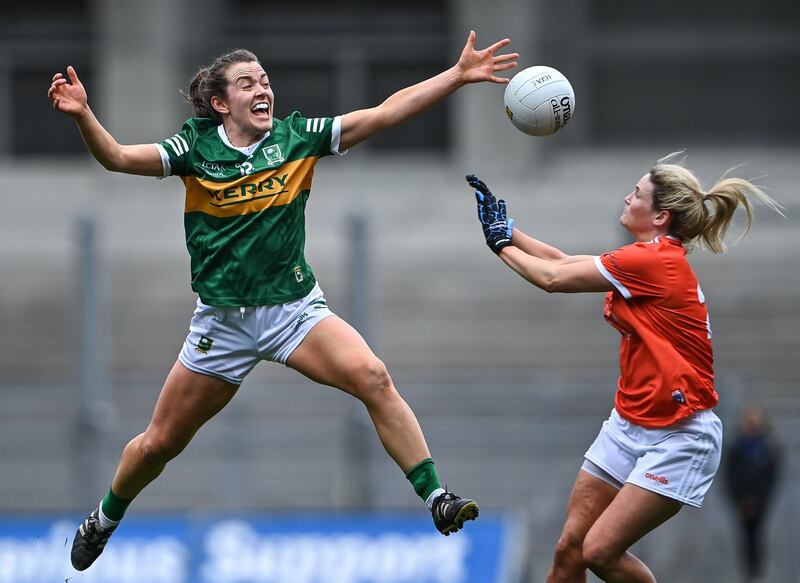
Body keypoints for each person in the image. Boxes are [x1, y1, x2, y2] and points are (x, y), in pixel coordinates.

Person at [48, 31, 518, 571]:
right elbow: (116, 158)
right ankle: (104, 519)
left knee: (374, 377)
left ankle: (435, 496)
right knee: (158, 446)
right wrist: (84, 115)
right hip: (221, 325)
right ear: (221, 103)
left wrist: (456, 76)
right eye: (247, 84)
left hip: (293, 310)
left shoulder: (297, 138)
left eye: (265, 80)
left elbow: (384, 113)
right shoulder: (194, 148)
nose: (262, 90)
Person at [464, 158, 783, 583]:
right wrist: (507, 228)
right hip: (631, 422)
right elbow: (563, 261)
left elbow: (552, 278)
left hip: (680, 434)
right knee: (568, 551)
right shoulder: (643, 258)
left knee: (598, 550)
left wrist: (500, 245)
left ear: (660, 216)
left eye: (636, 193)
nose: (627, 198)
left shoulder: (654, 262)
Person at [724, 404, 781, 583]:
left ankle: (757, 573)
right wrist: (740, 499)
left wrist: (759, 500)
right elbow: (730, 476)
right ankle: (748, 573)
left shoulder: (768, 448)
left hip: (760, 502)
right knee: (745, 537)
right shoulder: (737, 448)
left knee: (758, 536)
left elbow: (771, 477)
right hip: (741, 502)